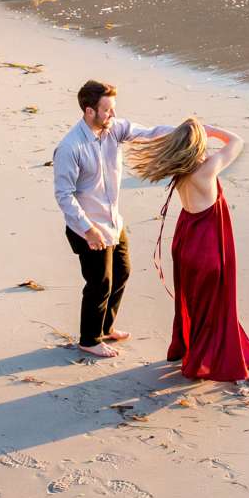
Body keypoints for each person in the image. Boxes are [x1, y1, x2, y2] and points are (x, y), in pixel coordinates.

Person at [126, 117, 249, 383]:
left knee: (195, 304)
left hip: (186, 242)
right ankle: (205, 359)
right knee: (214, 307)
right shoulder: (207, 170)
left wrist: (196, 133)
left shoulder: (179, 170)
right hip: (208, 246)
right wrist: (212, 129)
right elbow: (237, 141)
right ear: (198, 145)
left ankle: (195, 350)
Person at [52, 80, 180, 356]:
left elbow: (148, 133)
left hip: (113, 221)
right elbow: (64, 195)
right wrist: (88, 229)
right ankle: (89, 340)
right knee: (99, 283)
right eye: (107, 110)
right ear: (89, 111)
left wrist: (185, 132)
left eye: (113, 109)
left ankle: (106, 328)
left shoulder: (113, 130)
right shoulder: (70, 148)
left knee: (122, 272)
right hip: (87, 227)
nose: (112, 115)